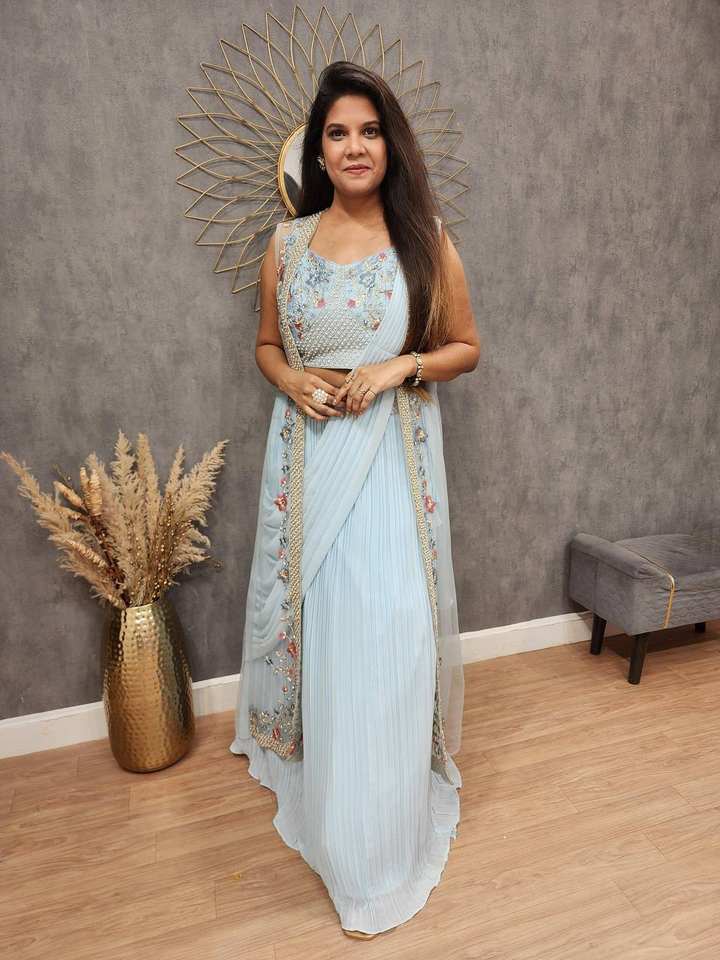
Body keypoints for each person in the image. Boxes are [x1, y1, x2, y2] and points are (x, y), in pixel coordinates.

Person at [229, 59, 480, 939]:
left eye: (370, 130)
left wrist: (399, 366)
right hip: (311, 456)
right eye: (337, 133)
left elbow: (465, 347)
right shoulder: (287, 245)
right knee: (332, 627)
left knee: (393, 628)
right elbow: (266, 345)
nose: (355, 146)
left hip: (392, 460)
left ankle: (387, 825)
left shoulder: (425, 239)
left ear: (390, 143)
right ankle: (342, 818)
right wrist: (291, 380)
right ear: (317, 151)